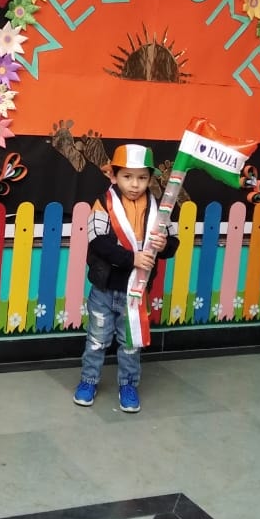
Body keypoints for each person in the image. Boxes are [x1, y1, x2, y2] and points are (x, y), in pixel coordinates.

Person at [73, 143, 178, 412]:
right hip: (104, 289)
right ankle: (88, 381)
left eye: (142, 177)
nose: (134, 184)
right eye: (127, 176)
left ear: (150, 178)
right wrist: (132, 259)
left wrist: (164, 244)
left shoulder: (160, 209)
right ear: (114, 176)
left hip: (137, 291)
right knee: (97, 340)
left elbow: (172, 244)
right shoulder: (103, 204)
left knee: (131, 343)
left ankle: (128, 385)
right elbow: (98, 242)